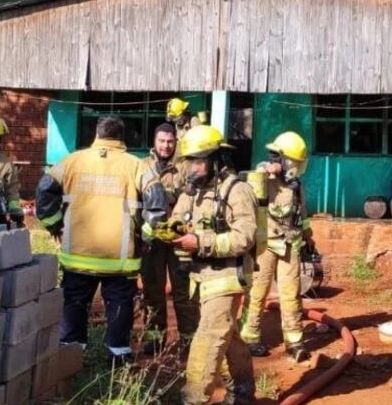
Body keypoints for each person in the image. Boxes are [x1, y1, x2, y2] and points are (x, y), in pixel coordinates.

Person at [34, 117, 167, 365]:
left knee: (74, 303)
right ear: (122, 137)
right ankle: (117, 356)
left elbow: (44, 190)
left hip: (77, 255)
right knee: (119, 305)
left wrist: (53, 223)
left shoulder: (71, 161)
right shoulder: (136, 166)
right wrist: (147, 235)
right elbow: (157, 204)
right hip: (120, 259)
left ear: (96, 134)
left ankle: (71, 355)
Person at [170, 125, 257, 405]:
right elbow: (177, 217)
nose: (192, 169)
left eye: (198, 161)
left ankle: (193, 399)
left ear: (216, 159)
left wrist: (201, 242)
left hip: (228, 278)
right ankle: (242, 391)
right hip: (201, 278)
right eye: (189, 162)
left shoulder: (237, 190)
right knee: (228, 337)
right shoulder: (192, 191)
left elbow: (245, 236)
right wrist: (171, 230)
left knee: (207, 340)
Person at [239, 131, 312, 362]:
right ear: (281, 160)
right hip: (265, 246)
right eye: (292, 163)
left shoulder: (295, 186)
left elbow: (303, 215)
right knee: (257, 293)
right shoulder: (263, 179)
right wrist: (264, 170)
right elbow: (245, 180)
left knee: (291, 295)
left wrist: (309, 239)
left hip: (290, 245)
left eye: (298, 164)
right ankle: (249, 338)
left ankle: (294, 342)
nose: (295, 169)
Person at [141, 123, 199, 354]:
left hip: (179, 239)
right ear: (154, 142)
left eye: (170, 141)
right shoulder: (143, 166)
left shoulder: (186, 167)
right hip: (152, 239)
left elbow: (192, 196)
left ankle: (188, 339)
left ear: (176, 142)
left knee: (183, 292)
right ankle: (155, 340)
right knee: (152, 291)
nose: (166, 146)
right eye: (162, 141)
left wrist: (162, 196)